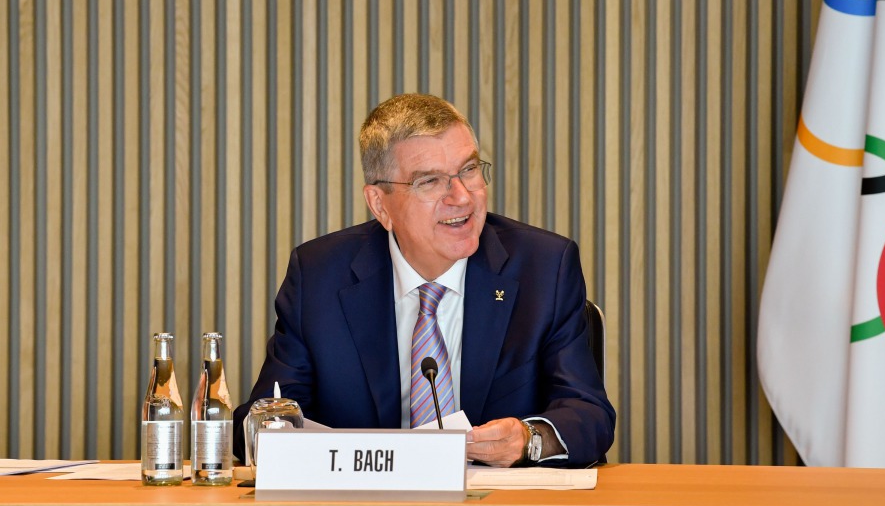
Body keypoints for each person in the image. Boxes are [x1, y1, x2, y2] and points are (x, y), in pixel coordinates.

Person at [234, 93, 615, 467]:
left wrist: (528, 440)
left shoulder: (544, 267)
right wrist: (276, 432)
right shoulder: (320, 276)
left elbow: (589, 414)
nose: (462, 197)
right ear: (380, 204)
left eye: (468, 170)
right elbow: (262, 417)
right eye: (430, 181)